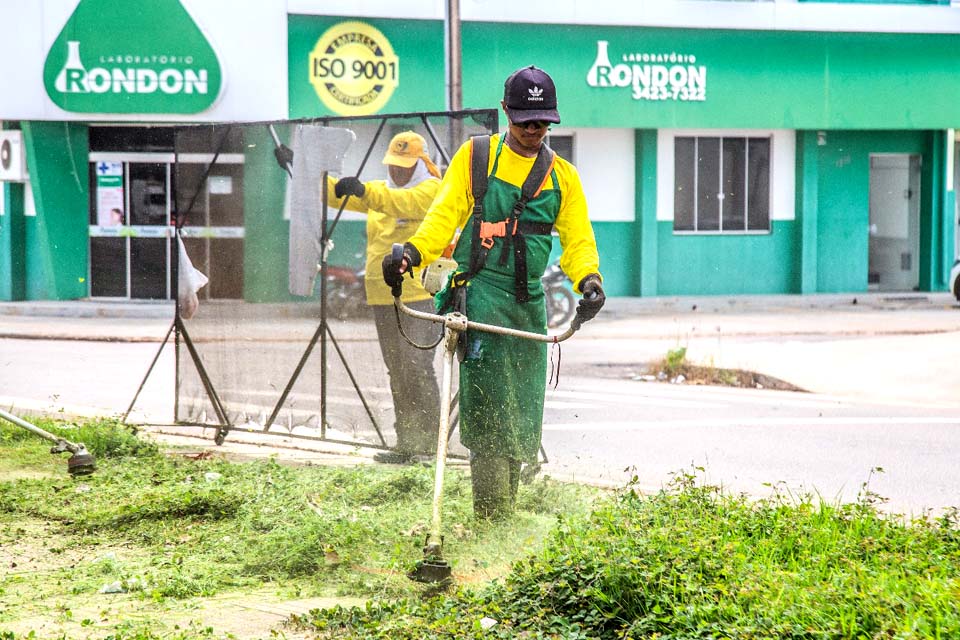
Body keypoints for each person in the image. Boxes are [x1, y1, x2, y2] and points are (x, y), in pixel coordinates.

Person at [382, 65, 605, 518]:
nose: (532, 130)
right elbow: (442, 218)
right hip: (479, 294)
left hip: (527, 306)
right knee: (487, 408)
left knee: (521, 412)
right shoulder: (477, 156)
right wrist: (412, 253)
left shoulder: (564, 177)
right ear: (506, 112)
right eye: (524, 121)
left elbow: (578, 240)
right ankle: (491, 517)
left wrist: (590, 280)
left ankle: (503, 512)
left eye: (541, 122)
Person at [328, 131, 443, 464]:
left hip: (420, 295)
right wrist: (304, 169)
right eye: (394, 165)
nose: (398, 171)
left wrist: (364, 190)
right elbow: (338, 195)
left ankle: (429, 446)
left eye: (405, 166)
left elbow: (399, 203)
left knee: (418, 366)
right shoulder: (382, 192)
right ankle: (406, 444)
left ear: (420, 163)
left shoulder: (431, 190)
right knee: (397, 369)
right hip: (382, 295)